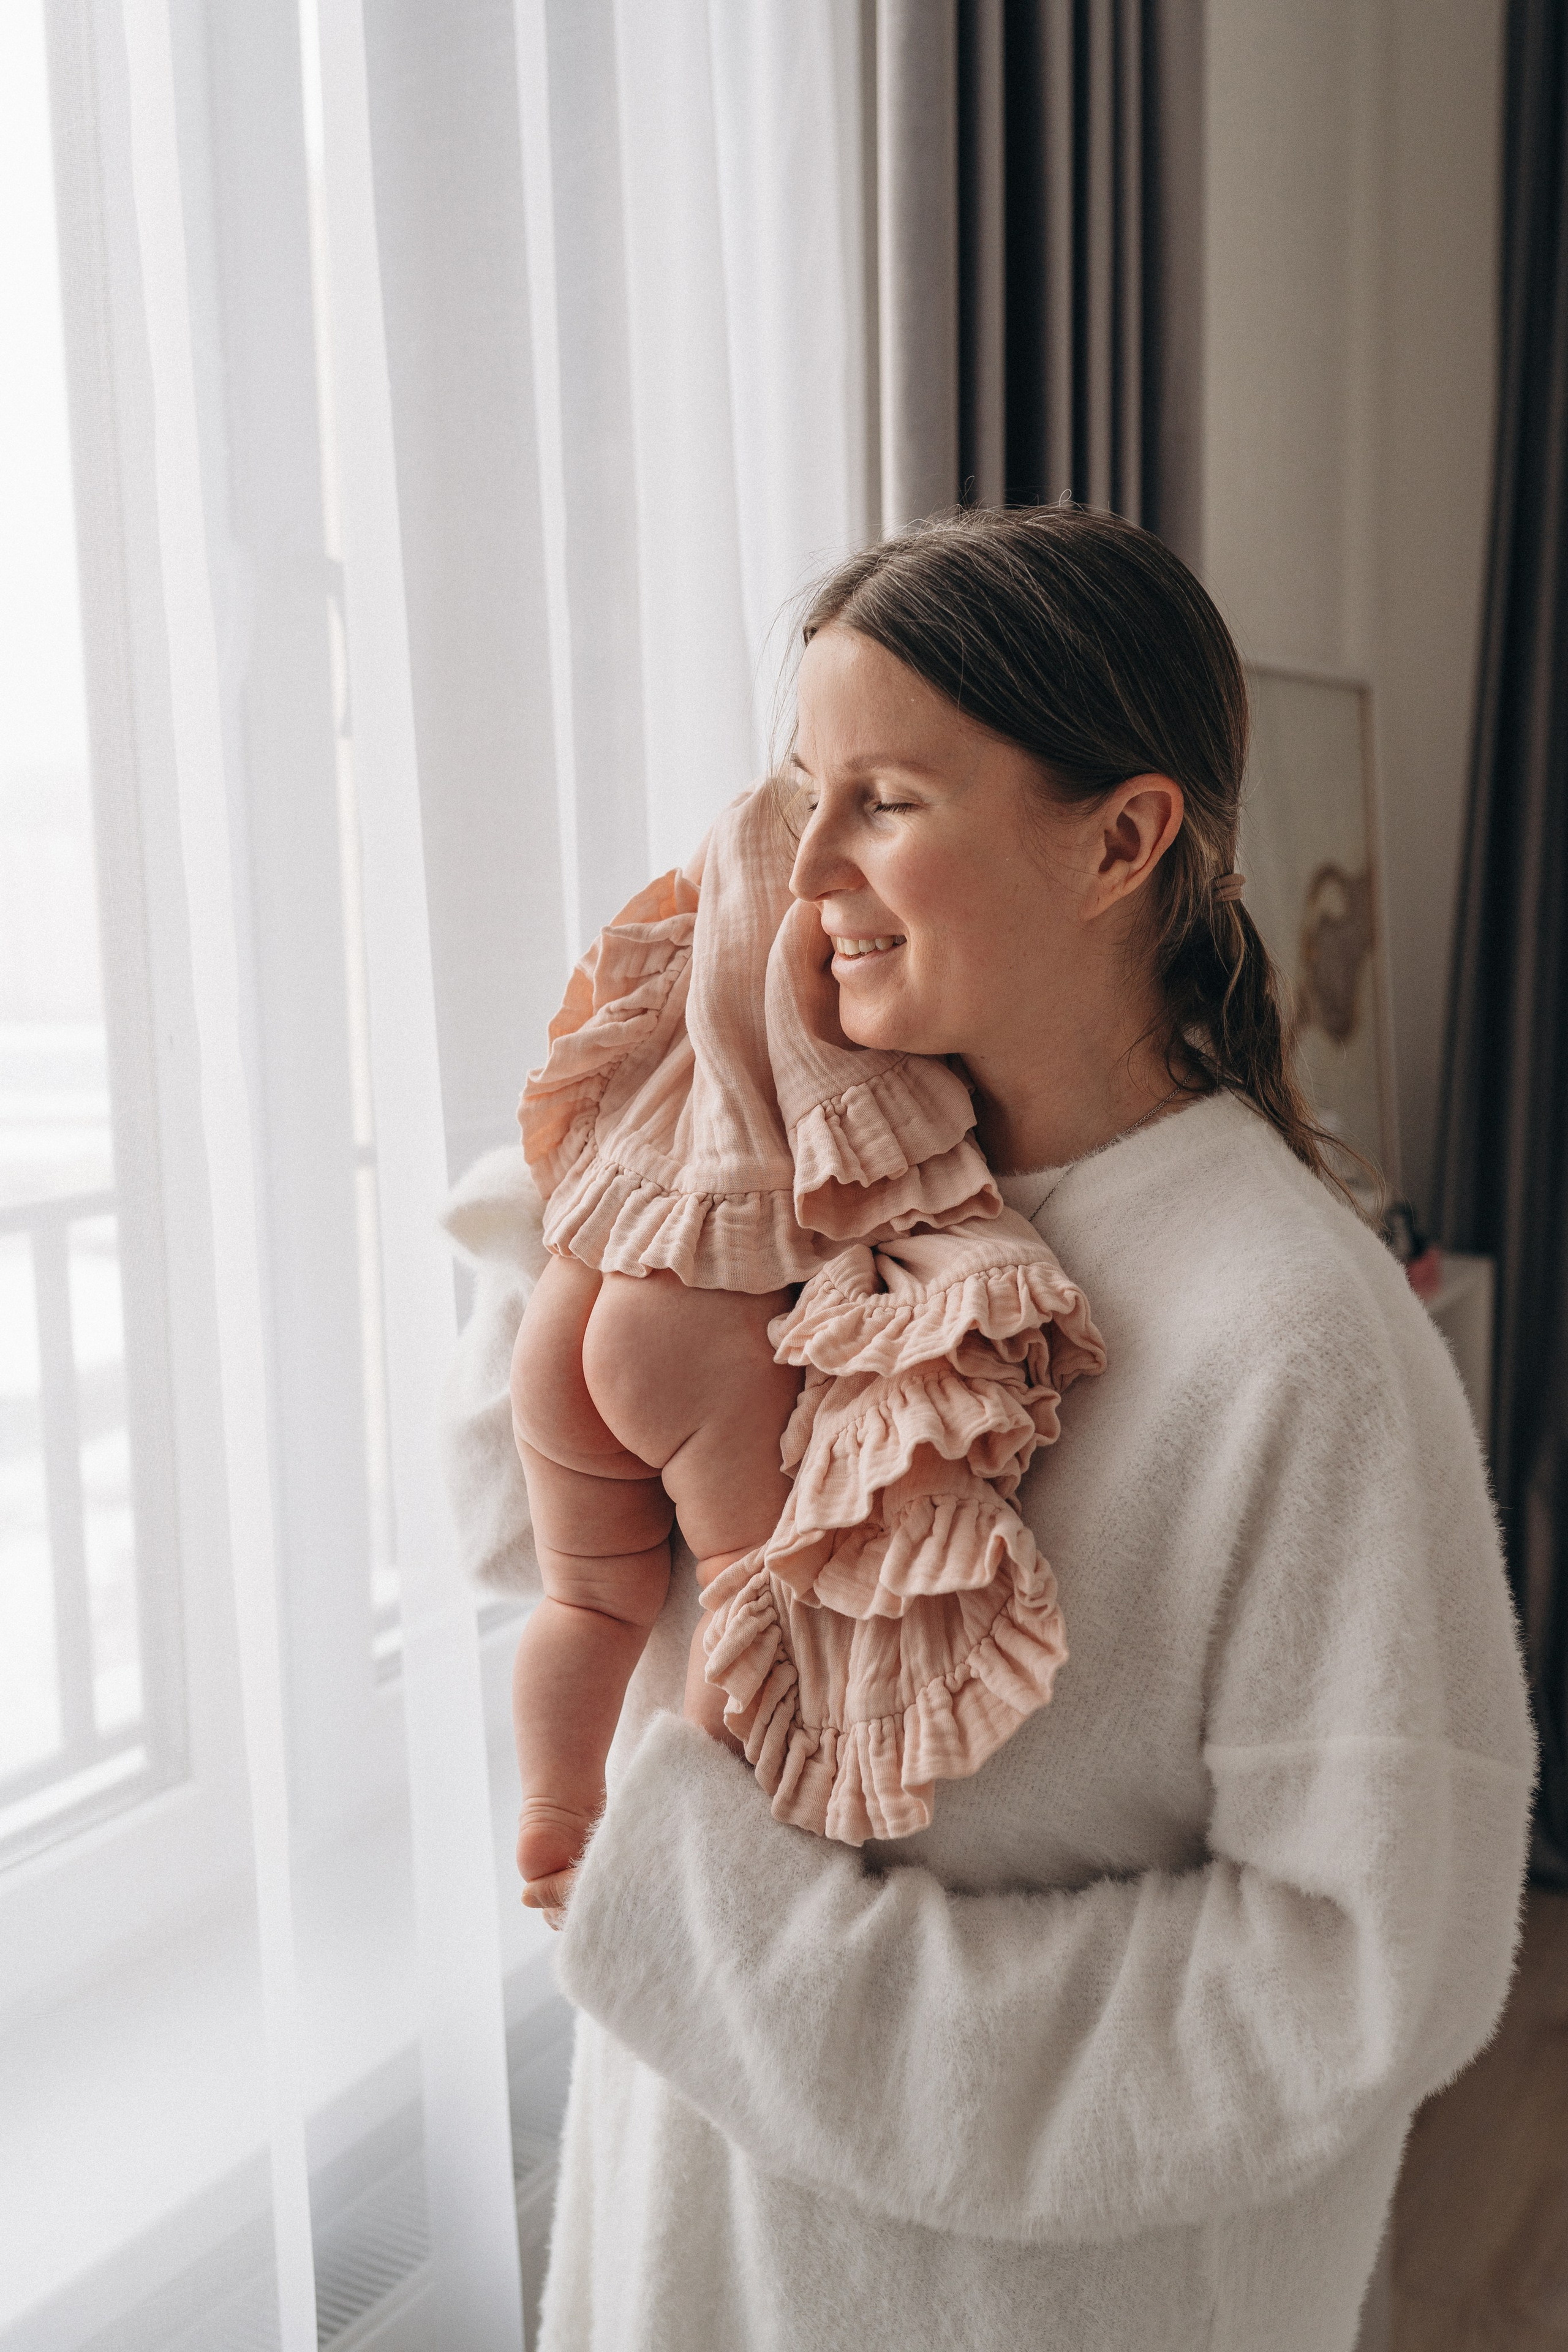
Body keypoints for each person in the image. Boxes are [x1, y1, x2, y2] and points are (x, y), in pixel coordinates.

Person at [518, 507, 1533, 2352]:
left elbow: (1362, 1964)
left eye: (885, 800)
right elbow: (559, 1550)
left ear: (1122, 839)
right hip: (690, 2249)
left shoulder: (1289, 1337)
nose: (804, 861)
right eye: (798, 791)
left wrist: (732, 1945)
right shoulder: (791, 1194)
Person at [508, 778, 1103, 1909]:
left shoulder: (735, 839)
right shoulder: (868, 911)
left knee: (582, 1600)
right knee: (750, 1590)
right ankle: (675, 1851)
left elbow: (630, 963)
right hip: (691, 1310)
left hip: (582, 1279)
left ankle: (552, 1807)